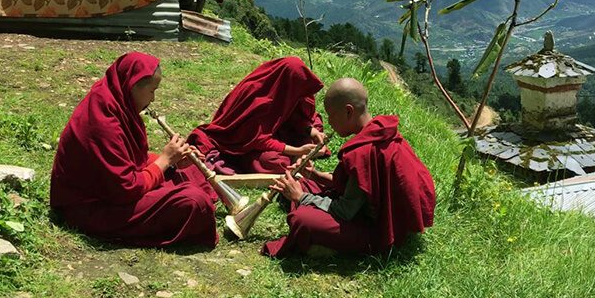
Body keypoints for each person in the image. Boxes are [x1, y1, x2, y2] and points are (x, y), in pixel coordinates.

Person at [50, 52, 218, 248]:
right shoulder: (102, 120)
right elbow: (126, 189)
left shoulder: (118, 100)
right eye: (152, 91)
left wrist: (175, 160)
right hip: (93, 207)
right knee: (194, 202)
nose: (153, 99)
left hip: (118, 188)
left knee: (190, 169)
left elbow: (128, 158)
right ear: (132, 86)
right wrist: (164, 161)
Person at [263, 78, 436, 257]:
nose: (329, 122)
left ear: (348, 111)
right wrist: (314, 175)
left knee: (302, 220)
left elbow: (344, 211)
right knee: (304, 184)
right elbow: (358, 185)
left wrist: (300, 197)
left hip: (377, 228)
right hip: (365, 207)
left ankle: (327, 245)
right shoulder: (380, 129)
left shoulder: (364, 151)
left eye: (331, 115)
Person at [188, 56, 328, 174]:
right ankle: (299, 158)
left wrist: (311, 130)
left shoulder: (288, 88)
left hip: (278, 130)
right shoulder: (257, 96)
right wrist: (297, 151)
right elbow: (257, 139)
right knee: (274, 162)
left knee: (316, 123)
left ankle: (301, 156)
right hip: (244, 142)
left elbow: (297, 116)